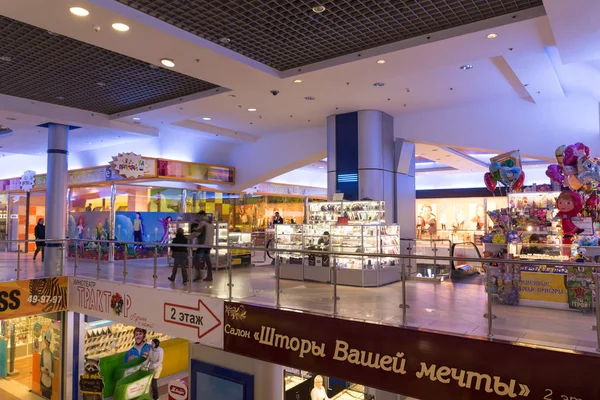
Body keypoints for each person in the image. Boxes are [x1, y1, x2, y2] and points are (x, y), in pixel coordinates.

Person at [198, 213, 215, 282]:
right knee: (207, 260)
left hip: (204, 244)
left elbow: (197, 232)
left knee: (197, 259)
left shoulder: (204, 224)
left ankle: (199, 275)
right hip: (209, 244)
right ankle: (209, 276)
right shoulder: (212, 225)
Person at [40, 330, 54, 399]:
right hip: (43, 380)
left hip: (49, 383)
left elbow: (53, 374)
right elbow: (41, 366)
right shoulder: (43, 352)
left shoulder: (51, 355)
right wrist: (43, 370)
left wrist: (49, 373)